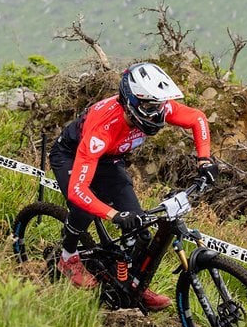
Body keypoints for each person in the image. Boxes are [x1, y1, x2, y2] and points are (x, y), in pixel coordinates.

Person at [48, 61, 219, 311]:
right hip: (72, 155)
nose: (159, 112)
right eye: (151, 107)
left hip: (108, 160)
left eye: (159, 105)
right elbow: (77, 190)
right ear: (131, 103)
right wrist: (114, 215)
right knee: (82, 208)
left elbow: (198, 119)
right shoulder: (102, 129)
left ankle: (134, 285)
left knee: (141, 232)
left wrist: (204, 160)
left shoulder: (156, 106)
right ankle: (67, 257)